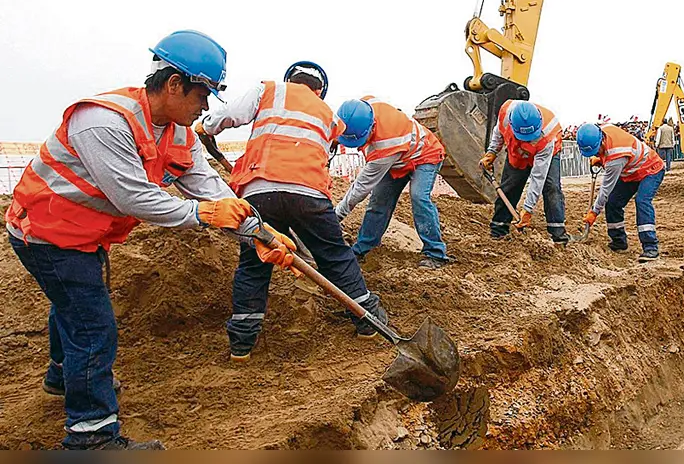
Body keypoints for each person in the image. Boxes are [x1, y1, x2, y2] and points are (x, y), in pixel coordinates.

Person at [3, 30, 293, 450]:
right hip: (44, 232)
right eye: (203, 94)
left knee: (74, 304)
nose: (206, 107)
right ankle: (91, 439)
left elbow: (209, 186)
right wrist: (205, 216)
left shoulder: (178, 133)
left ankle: (62, 376)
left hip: (83, 234)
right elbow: (135, 197)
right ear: (174, 84)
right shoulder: (104, 122)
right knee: (91, 325)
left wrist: (259, 234)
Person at [197, 63, 388, 357]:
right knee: (335, 255)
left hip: (259, 191)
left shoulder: (269, 90)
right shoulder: (328, 115)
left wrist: (205, 127)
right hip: (309, 194)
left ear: (290, 80)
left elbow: (226, 117)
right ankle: (368, 322)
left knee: (253, 263)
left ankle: (242, 344)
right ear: (320, 90)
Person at [333, 96, 451, 269]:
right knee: (378, 201)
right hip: (399, 158)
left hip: (424, 154)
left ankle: (436, 253)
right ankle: (363, 248)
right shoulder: (364, 106)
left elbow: (361, 187)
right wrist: (337, 137)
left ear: (372, 127)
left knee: (419, 197)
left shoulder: (385, 144)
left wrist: (337, 216)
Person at [479, 100, 569, 244]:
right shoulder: (506, 115)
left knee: (551, 187)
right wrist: (492, 152)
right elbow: (498, 133)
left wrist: (527, 209)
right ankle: (499, 229)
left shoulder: (547, 134)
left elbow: (537, 178)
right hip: (518, 152)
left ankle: (558, 234)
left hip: (548, 153)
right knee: (509, 186)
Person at [575, 122, 665, 262]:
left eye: (597, 150)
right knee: (613, 203)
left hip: (650, 169)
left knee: (642, 201)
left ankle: (650, 247)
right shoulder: (603, 130)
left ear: (602, 140)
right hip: (630, 173)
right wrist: (600, 157)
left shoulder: (616, 157)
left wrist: (594, 212)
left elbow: (605, 189)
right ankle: (619, 242)